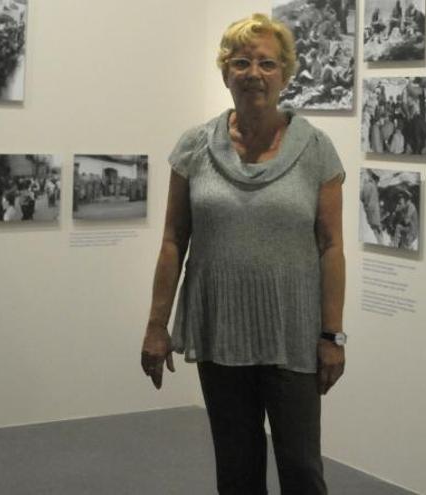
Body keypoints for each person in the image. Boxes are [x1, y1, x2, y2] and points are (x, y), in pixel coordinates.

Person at [140, 14, 346, 495]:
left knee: (300, 469)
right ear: (225, 72)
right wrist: (156, 326)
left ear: (286, 74)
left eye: (267, 63)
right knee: (235, 470)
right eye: (242, 61)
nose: (254, 73)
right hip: (221, 330)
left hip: (291, 331)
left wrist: (331, 333)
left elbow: (331, 246)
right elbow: (173, 238)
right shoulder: (195, 146)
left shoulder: (315, 149)